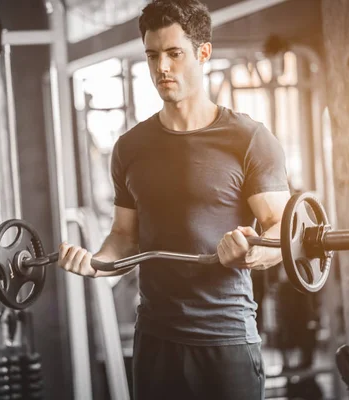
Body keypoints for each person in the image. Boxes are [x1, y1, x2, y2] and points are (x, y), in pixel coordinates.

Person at [57, 1, 291, 399]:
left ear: (203, 52)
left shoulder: (249, 139)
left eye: (174, 53)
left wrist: (249, 254)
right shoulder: (130, 148)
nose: (161, 67)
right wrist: (95, 264)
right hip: (155, 341)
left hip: (225, 338)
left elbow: (284, 234)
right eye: (152, 55)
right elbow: (124, 237)